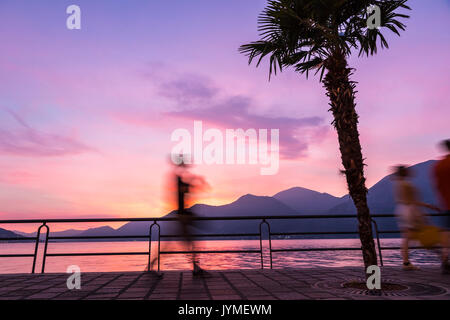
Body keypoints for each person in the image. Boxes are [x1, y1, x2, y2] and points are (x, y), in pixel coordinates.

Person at [393, 165, 450, 273]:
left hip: (401, 211)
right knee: (427, 234)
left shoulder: (397, 184)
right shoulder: (406, 184)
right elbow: (412, 201)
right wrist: (429, 206)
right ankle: (443, 257)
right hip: (411, 211)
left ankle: (406, 262)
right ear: (404, 173)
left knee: (408, 238)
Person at [433, 139, 450, 233]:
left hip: (446, 205)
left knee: (446, 233)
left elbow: (438, 186)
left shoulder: (438, 166)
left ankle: (445, 248)